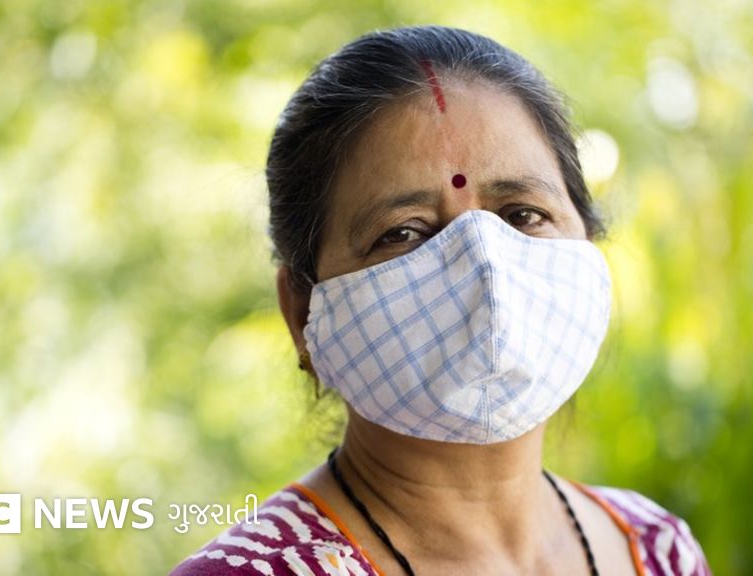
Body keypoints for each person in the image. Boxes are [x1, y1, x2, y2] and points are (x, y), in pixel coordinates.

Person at [172, 25, 711, 576]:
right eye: (404, 232)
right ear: (302, 313)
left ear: (589, 250)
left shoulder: (656, 549)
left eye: (523, 214)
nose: (486, 268)